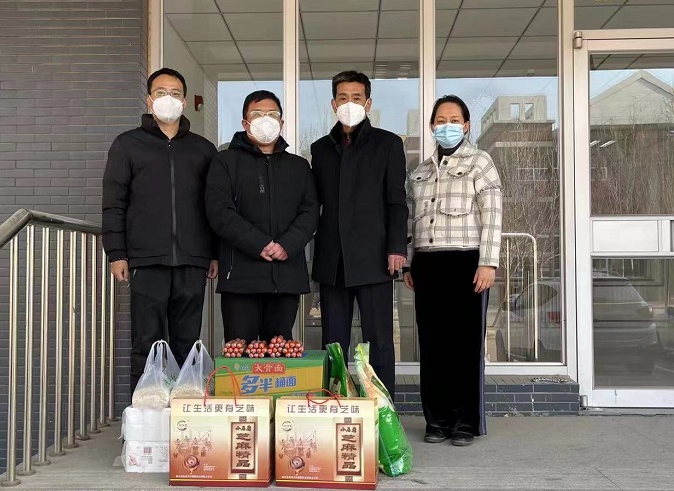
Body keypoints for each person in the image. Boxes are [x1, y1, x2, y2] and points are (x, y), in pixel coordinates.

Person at [102, 68, 219, 393]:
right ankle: (145, 412)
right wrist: (117, 252)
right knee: (147, 341)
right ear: (149, 99)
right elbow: (114, 202)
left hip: (192, 258)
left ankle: (183, 412)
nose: (169, 99)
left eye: (175, 93)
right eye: (161, 92)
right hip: (146, 257)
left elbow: (215, 206)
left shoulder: (203, 149)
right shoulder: (127, 145)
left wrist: (214, 253)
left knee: (186, 341)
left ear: (185, 101)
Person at [403, 95, 502, 446]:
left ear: (466, 125)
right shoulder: (420, 170)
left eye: (454, 120)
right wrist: (409, 263)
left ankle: (465, 421)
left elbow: (493, 215)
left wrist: (488, 262)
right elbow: (410, 221)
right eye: (441, 120)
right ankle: (437, 420)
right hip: (428, 263)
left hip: (466, 262)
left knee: (464, 345)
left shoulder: (480, 162)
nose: (447, 126)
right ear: (432, 126)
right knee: (432, 345)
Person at [311, 71, 408, 398]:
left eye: (356, 98)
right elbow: (313, 203)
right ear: (333, 104)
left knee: (379, 340)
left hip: (375, 258)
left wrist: (396, 247)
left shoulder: (388, 144)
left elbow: (396, 200)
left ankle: (383, 409)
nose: (349, 103)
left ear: (367, 103)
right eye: (343, 98)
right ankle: (334, 403)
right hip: (333, 259)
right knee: (333, 341)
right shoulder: (321, 149)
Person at [206, 90, 319, 344]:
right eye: (257, 114)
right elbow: (220, 211)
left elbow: (310, 211)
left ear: (281, 122)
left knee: (279, 354)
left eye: (272, 115)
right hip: (240, 278)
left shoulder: (299, 166)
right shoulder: (225, 162)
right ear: (245, 123)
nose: (265, 119)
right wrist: (259, 243)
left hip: (285, 276)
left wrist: (287, 245)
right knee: (240, 355)